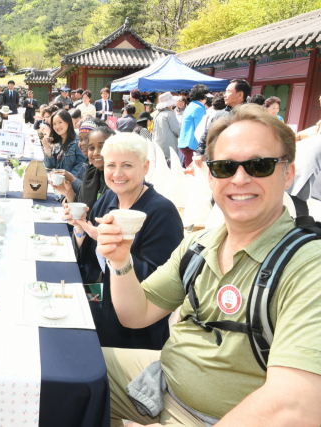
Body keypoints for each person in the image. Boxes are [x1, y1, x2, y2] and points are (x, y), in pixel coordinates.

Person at [96, 103, 321, 426]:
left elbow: (296, 406)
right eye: (225, 167)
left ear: (288, 174)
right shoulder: (200, 245)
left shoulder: (308, 266)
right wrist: (120, 261)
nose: (239, 179)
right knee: (64, 372)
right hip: (161, 381)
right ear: (211, 177)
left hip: (214, 417)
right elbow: (136, 314)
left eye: (259, 165)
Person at [64, 132, 182, 349]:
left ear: (145, 167)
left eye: (127, 165)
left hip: (132, 334)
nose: (117, 174)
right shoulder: (109, 198)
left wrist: (118, 254)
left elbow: (162, 283)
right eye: (111, 165)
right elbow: (91, 257)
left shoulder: (162, 212)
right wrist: (82, 232)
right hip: (98, 304)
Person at [53, 121, 112, 203]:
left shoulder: (113, 178)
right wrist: (68, 195)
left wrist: (71, 179)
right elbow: (85, 201)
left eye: (101, 147)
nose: (95, 152)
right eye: (91, 148)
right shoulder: (91, 170)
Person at [195, 79, 250, 165]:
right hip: (217, 159)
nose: (224, 95)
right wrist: (200, 152)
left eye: (228, 91)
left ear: (240, 95)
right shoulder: (220, 114)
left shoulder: (251, 115)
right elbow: (207, 133)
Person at [43, 109, 86, 176]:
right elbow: (49, 166)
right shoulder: (56, 141)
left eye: (60, 122)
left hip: (72, 184)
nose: (57, 126)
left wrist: (69, 179)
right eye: (54, 124)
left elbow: (82, 165)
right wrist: (47, 148)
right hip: (58, 182)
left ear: (68, 122)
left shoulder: (78, 141)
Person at [178, 84, 209, 167]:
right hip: (192, 143)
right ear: (202, 96)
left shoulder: (191, 105)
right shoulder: (198, 108)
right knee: (193, 169)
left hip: (186, 142)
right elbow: (201, 128)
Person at [151, 92, 181, 163]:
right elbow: (176, 130)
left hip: (157, 144)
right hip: (169, 146)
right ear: (170, 103)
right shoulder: (170, 114)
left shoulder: (157, 114)